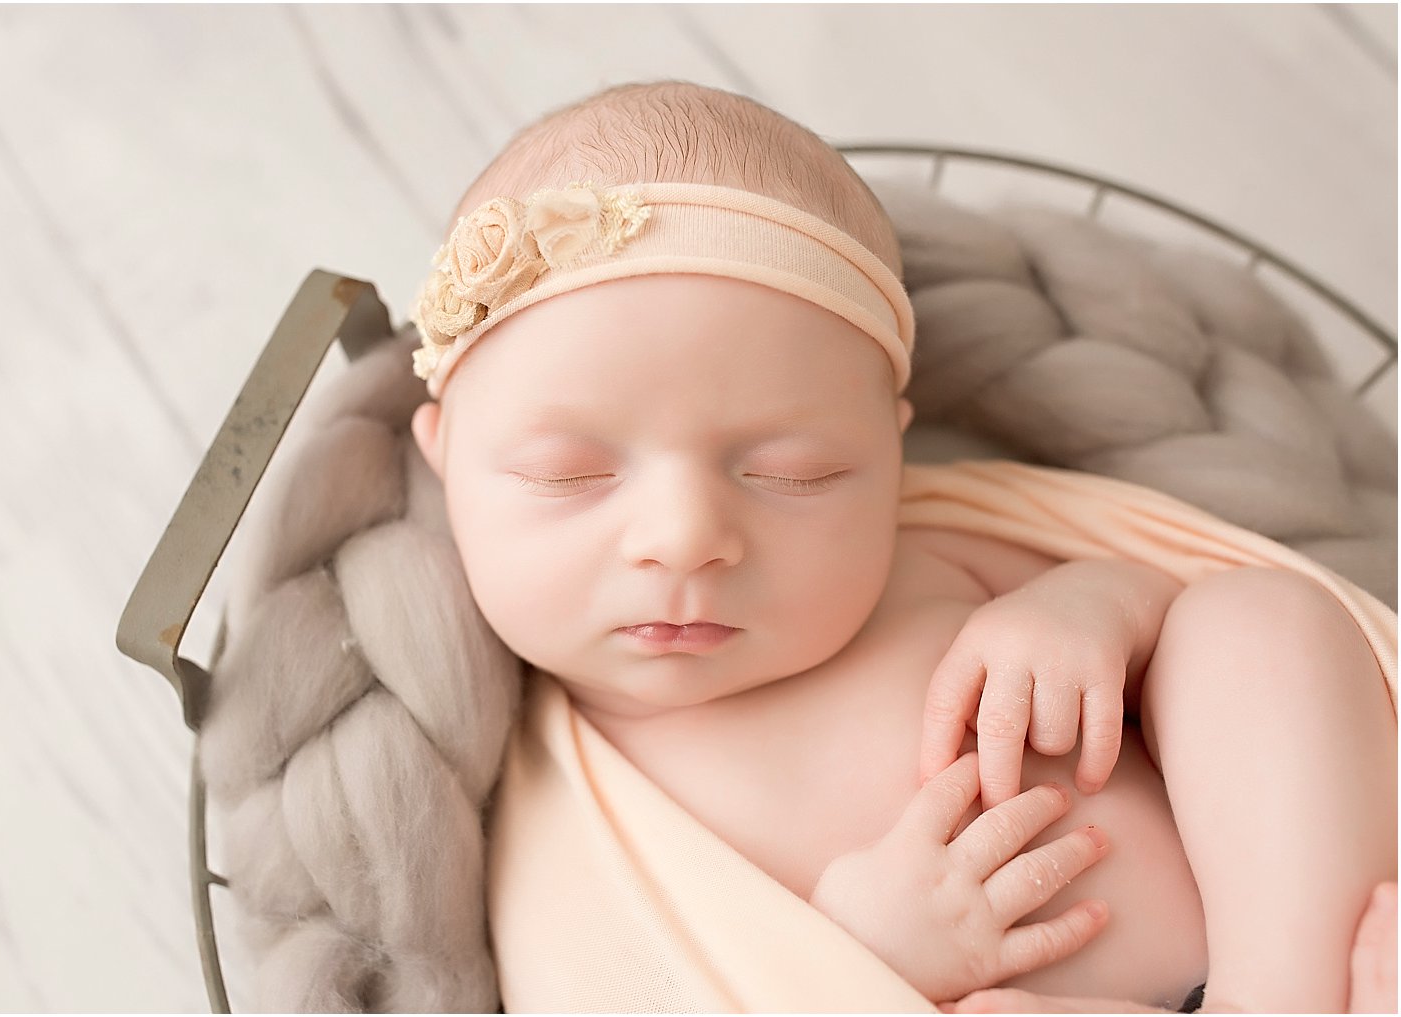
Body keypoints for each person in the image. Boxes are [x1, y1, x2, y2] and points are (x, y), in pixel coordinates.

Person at [407, 79, 1397, 1011]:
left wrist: (1083, 611)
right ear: (443, 451)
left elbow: (1163, 601)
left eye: (792, 473)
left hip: (1276, 944)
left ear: (890, 443)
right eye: (569, 474)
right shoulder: (552, 825)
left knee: (1254, 616)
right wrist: (855, 961)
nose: (686, 540)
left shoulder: (928, 560)